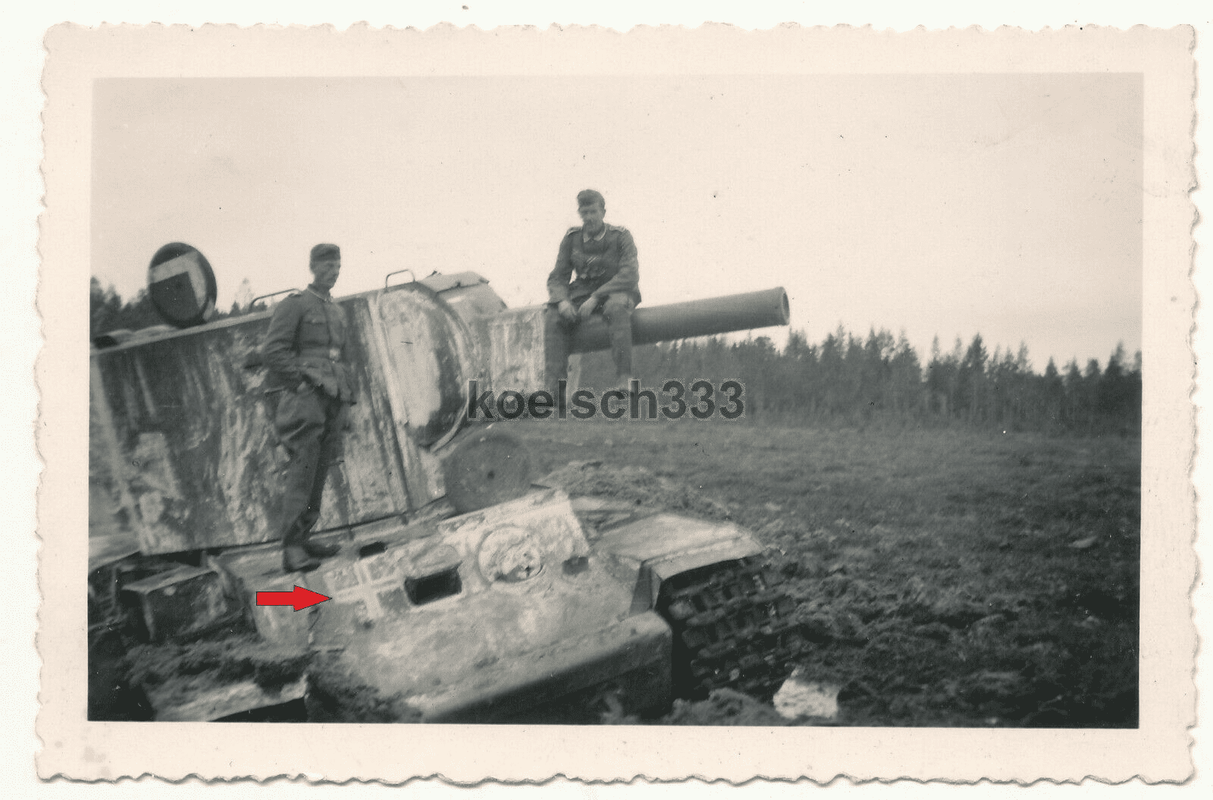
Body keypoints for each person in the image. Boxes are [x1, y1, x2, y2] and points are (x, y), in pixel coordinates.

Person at [262, 243, 354, 573]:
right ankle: (291, 550)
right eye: (328, 266)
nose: (334, 271)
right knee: (302, 469)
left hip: (333, 395)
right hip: (306, 397)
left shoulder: (337, 310)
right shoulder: (296, 305)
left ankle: (305, 537)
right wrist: (298, 384)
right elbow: (273, 350)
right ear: (313, 267)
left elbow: (340, 356)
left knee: (319, 470)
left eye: (338, 265)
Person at [545, 189, 641, 392]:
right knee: (553, 316)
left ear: (603, 212)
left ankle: (625, 378)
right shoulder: (572, 238)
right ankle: (554, 390)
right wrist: (562, 300)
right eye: (584, 213)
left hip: (616, 289)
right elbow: (558, 276)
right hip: (583, 291)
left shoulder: (620, 236)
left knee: (616, 308)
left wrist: (596, 297)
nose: (589, 218)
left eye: (593, 212)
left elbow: (630, 274)